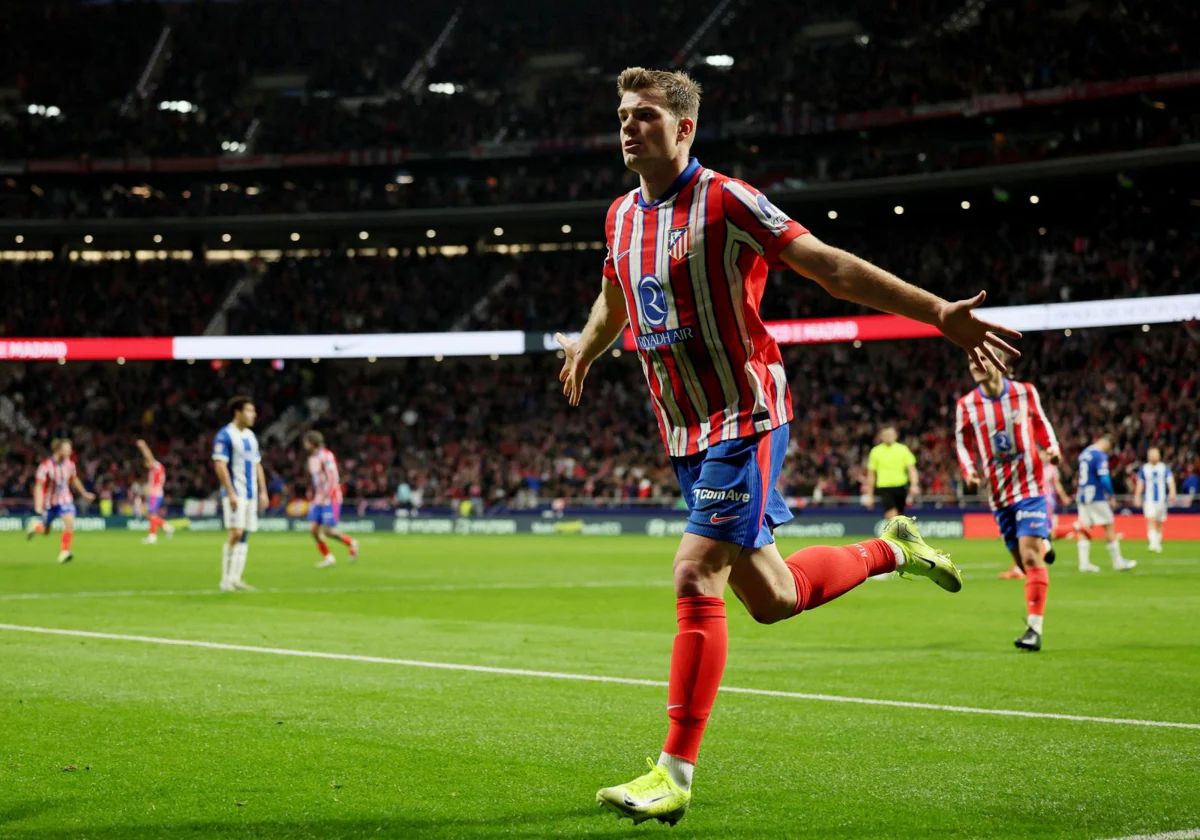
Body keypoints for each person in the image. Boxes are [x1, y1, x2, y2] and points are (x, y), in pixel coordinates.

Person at [557, 66, 1017, 827]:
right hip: (686, 431)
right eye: (621, 116)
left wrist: (939, 311)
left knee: (694, 573)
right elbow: (614, 298)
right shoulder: (618, 217)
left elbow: (829, 267)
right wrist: (585, 344)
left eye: (643, 115)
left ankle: (672, 773)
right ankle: (896, 551)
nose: (628, 127)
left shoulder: (728, 200)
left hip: (747, 415)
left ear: (685, 129)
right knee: (772, 599)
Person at [955, 352, 1060, 651]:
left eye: (982, 360)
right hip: (999, 495)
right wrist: (970, 472)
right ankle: (1045, 542)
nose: (975, 366)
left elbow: (1041, 422)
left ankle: (1034, 629)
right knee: (1022, 562)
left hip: (1030, 486)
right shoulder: (966, 405)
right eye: (972, 362)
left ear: (998, 363)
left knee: (1029, 557)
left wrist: (1051, 447)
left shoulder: (1025, 392)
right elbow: (962, 443)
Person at [211, 396, 267, 592]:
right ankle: (225, 579)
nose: (254, 415)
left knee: (245, 534)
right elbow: (220, 464)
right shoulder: (225, 435)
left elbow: (257, 464)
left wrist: (263, 492)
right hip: (237, 493)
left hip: (251, 494)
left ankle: (236, 578)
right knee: (236, 532)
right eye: (249, 411)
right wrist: (231, 492)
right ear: (237, 412)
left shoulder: (251, 436)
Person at [25, 438, 95, 563]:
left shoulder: (70, 464)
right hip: (49, 502)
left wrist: (84, 493)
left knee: (69, 522)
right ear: (57, 450)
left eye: (70, 450)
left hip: (65, 499)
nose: (69, 452)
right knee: (46, 531)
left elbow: (74, 479)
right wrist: (38, 505)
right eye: (66, 450)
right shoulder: (45, 466)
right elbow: (39, 486)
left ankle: (64, 552)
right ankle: (35, 526)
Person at [1000, 458, 1070, 579]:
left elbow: (1057, 485)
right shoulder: (1031, 466)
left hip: (1040, 503)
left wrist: (1063, 497)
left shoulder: (1048, 468)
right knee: (1033, 535)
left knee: (1035, 535)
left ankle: (1023, 567)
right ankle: (1046, 548)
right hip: (1033, 502)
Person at [1074, 436, 1136, 572]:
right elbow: (1104, 477)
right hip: (1095, 495)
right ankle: (1118, 562)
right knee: (1108, 526)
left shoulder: (1084, 453)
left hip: (1083, 494)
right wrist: (1111, 495)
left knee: (1085, 527)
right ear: (1108, 446)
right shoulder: (1099, 455)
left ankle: (1083, 563)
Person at [302, 431, 358, 568]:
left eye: (306, 442)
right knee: (313, 528)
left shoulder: (326, 456)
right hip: (318, 498)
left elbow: (333, 478)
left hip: (330, 498)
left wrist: (325, 495)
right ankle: (329, 557)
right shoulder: (312, 459)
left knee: (327, 530)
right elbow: (316, 480)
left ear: (311, 442)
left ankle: (351, 542)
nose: (304, 445)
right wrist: (314, 496)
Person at [863, 426, 919, 520]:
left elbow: (911, 469)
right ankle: (892, 533)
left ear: (895, 435)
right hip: (884, 487)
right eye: (886, 435)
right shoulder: (876, 451)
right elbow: (871, 475)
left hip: (901, 487)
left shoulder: (903, 449)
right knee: (891, 513)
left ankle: (894, 533)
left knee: (899, 515)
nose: (888, 437)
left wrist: (914, 484)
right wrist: (870, 495)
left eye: (890, 434)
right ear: (881, 436)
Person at [1134, 447, 1175, 554]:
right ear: (1148, 456)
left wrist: (1172, 492)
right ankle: (1153, 543)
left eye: (1155, 454)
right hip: (1149, 499)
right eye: (1151, 454)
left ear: (1159, 456)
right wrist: (1137, 496)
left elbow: (1170, 481)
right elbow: (1140, 484)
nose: (1153, 456)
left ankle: (1157, 542)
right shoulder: (1144, 468)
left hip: (1162, 500)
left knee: (1160, 521)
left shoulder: (1164, 468)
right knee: (1151, 519)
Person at [136, 439, 175, 544]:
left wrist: (143, 447)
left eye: (146, 464)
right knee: (152, 515)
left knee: (151, 515)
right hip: (156, 493)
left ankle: (166, 526)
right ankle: (152, 536)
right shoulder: (157, 469)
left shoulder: (156, 465)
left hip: (155, 494)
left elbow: (149, 456)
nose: (147, 466)